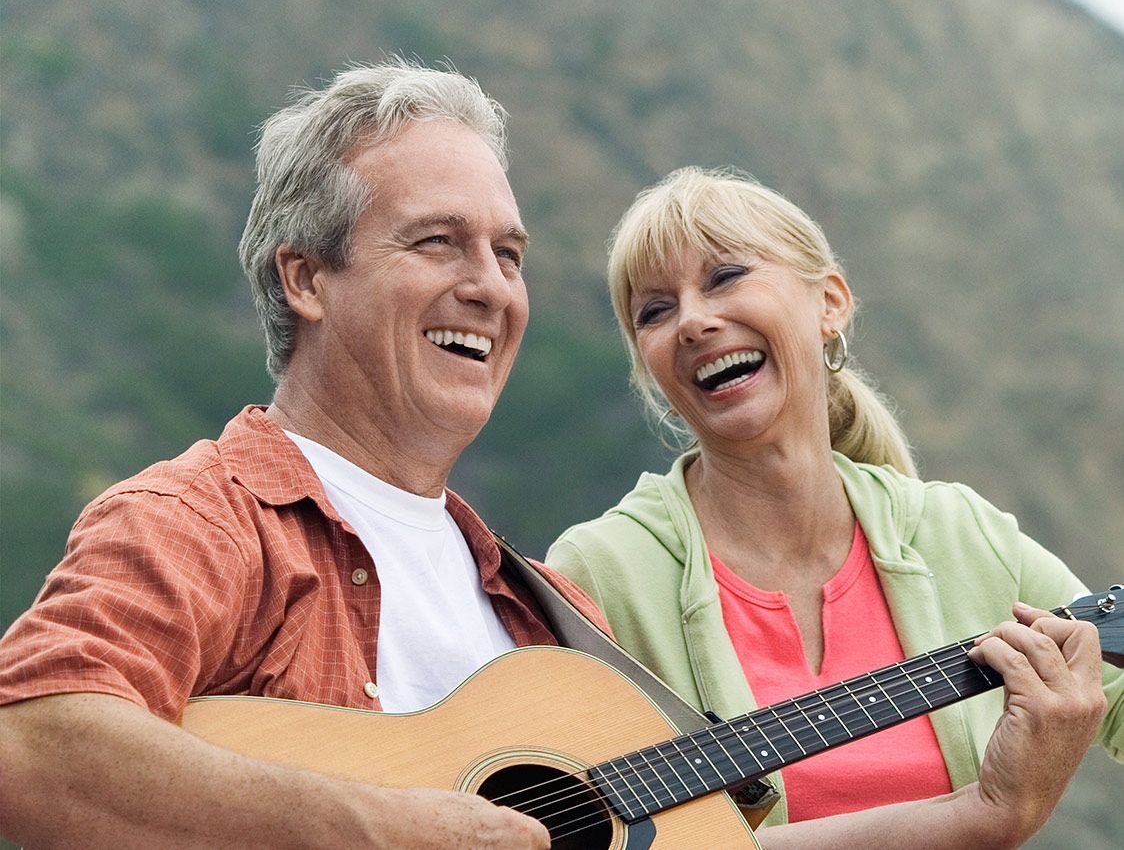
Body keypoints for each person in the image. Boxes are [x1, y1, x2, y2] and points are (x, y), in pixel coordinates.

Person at [0, 60, 606, 848]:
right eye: (438, 242)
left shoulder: (559, 612)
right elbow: (29, 741)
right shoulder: (201, 522)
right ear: (306, 278)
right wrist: (376, 827)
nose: (491, 287)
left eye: (510, 254)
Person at [547, 166, 1122, 848]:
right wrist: (989, 815)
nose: (694, 320)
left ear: (831, 304)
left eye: (725, 276)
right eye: (655, 311)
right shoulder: (599, 574)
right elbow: (570, 834)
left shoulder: (959, 535)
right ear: (650, 368)